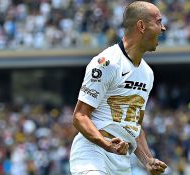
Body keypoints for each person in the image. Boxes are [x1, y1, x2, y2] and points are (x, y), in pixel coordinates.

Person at [69, 1, 167, 174]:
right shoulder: (107, 63)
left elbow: (134, 125)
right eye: (158, 22)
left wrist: (147, 160)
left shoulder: (147, 73)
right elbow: (80, 116)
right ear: (141, 26)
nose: (163, 28)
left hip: (121, 162)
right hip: (93, 155)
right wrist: (106, 144)